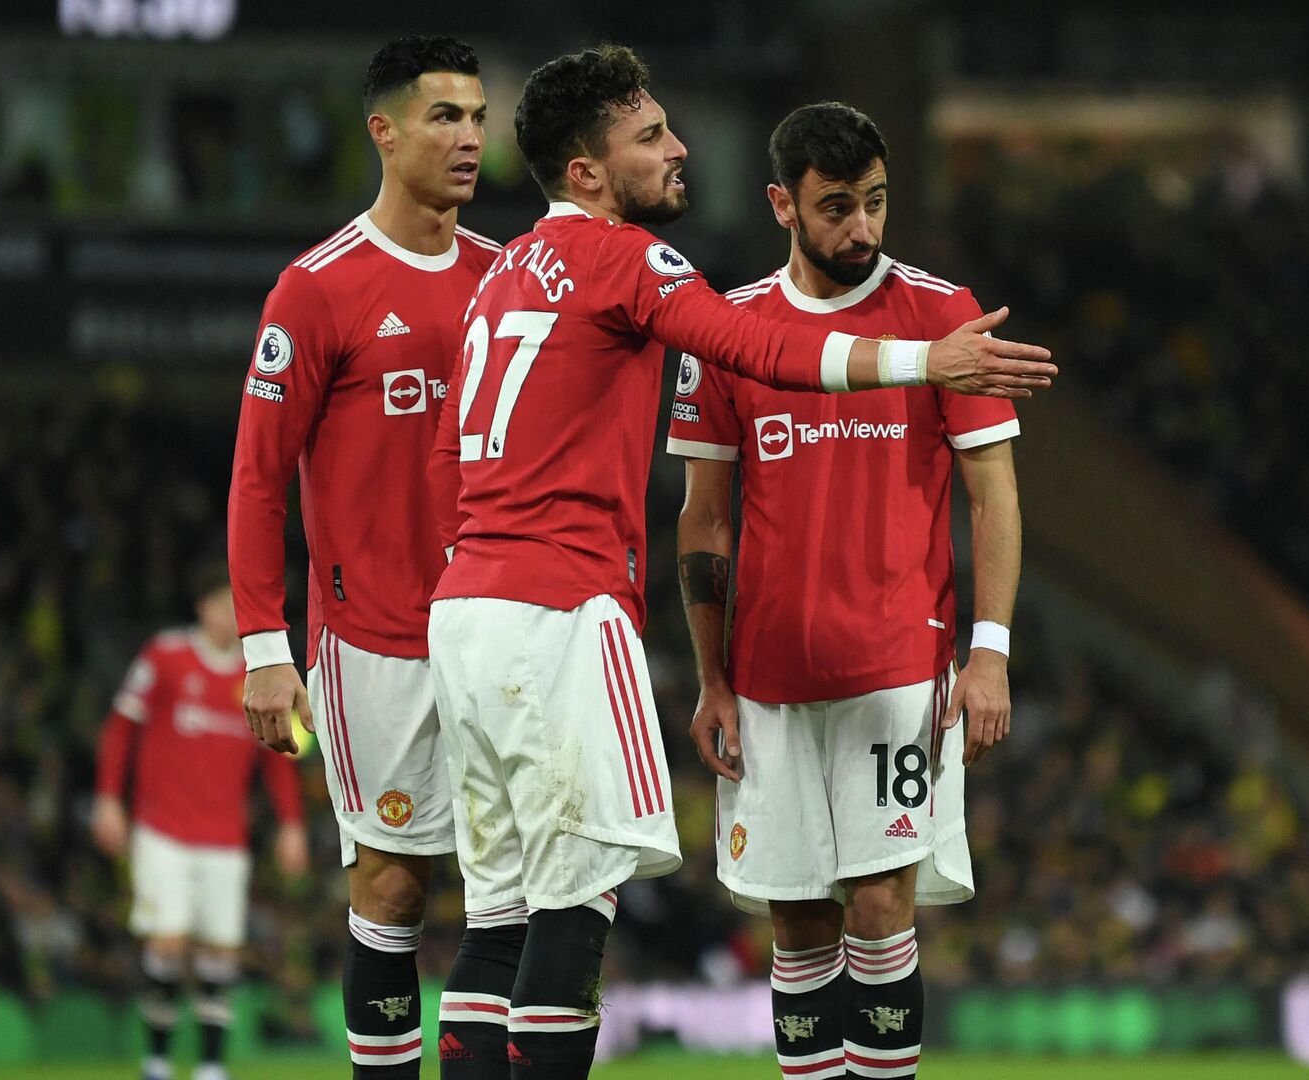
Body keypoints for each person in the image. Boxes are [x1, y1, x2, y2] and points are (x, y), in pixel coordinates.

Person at [427, 45, 1055, 1080]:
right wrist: (920, 363)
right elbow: (756, 353)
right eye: (650, 137)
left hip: (468, 606)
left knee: (497, 910)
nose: (678, 151)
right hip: (561, 610)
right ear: (587, 171)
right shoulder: (631, 262)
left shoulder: (498, 272)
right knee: (577, 902)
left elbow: (451, 450)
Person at [670, 101, 1021, 1080]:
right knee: (797, 920)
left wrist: (987, 651)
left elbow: (995, 499)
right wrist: (712, 678)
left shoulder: (943, 316)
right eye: (836, 209)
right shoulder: (731, 330)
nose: (861, 229)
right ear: (783, 204)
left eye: (874, 203)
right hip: (769, 675)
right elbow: (704, 519)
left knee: (878, 904)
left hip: (897, 667)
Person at [226, 35, 504, 1080]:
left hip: (498, 623)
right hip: (375, 638)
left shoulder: (506, 278)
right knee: (392, 886)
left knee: (513, 886)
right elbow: (258, 477)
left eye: (479, 116)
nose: (471, 136)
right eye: (446, 116)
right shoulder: (318, 289)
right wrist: (264, 643)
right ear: (382, 132)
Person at [93, 562, 309, 1080]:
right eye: (223, 603)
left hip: (225, 837)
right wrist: (107, 799)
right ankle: (157, 1060)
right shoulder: (165, 656)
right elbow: (121, 728)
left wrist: (292, 824)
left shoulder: (257, 677)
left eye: (239, 605)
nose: (232, 615)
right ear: (202, 607)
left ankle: (211, 1067)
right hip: (162, 829)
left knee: (221, 951)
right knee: (167, 942)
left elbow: (278, 758)